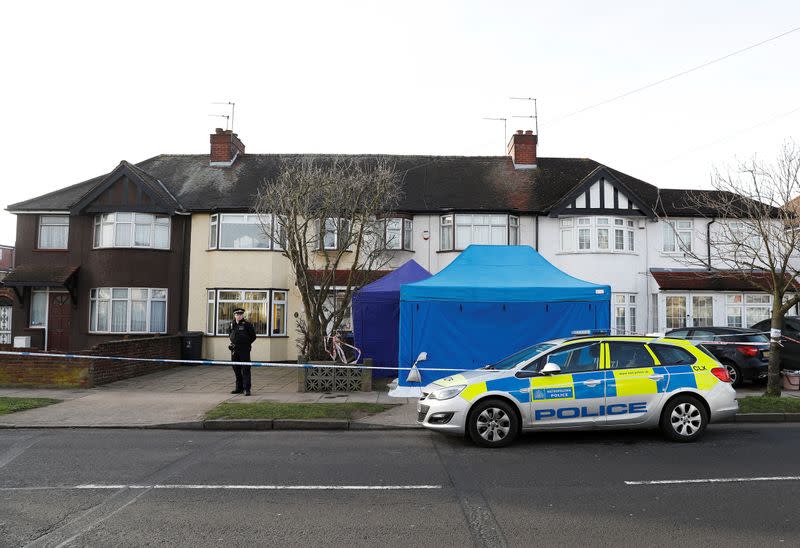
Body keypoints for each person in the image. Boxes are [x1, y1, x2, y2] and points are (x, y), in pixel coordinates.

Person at [228, 307, 257, 396]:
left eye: (240, 314)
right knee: (236, 369)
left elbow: (253, 336)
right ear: (234, 315)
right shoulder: (232, 324)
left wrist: (246, 344)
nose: (239, 316)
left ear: (242, 315)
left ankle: (246, 389)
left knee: (245, 369)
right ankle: (239, 388)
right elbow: (230, 335)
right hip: (234, 350)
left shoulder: (247, 325)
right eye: (237, 314)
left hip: (244, 350)